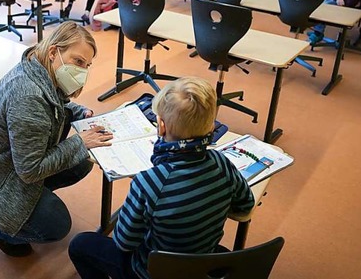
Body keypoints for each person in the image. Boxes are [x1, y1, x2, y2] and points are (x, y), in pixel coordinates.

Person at [0, 21, 113, 257]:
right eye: (78, 61)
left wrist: (77, 112)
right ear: (54, 51)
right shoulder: (28, 97)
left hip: (2, 163)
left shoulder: (38, 65)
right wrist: (80, 142)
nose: (82, 71)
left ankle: (26, 203)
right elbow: (29, 170)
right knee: (56, 226)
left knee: (80, 162)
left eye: (87, 65)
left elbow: (53, 101)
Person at [68, 76, 256, 279]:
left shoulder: (149, 182)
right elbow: (246, 205)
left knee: (80, 245)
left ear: (161, 126)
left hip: (148, 272)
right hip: (201, 266)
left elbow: (124, 242)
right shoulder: (221, 163)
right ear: (211, 127)